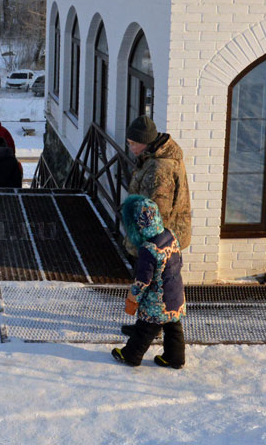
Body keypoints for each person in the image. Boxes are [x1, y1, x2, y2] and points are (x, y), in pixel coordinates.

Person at [111, 194, 186, 370]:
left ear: (139, 224)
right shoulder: (170, 234)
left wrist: (133, 298)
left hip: (156, 302)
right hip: (175, 294)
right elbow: (179, 262)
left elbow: (143, 281)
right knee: (173, 327)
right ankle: (175, 358)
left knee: (145, 329)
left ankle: (131, 355)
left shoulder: (148, 249)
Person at [125, 115, 192, 251]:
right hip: (160, 241)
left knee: (152, 273)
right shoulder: (151, 158)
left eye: (133, 143)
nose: (130, 148)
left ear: (145, 142)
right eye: (128, 143)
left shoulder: (159, 169)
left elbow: (158, 214)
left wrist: (147, 248)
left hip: (158, 245)